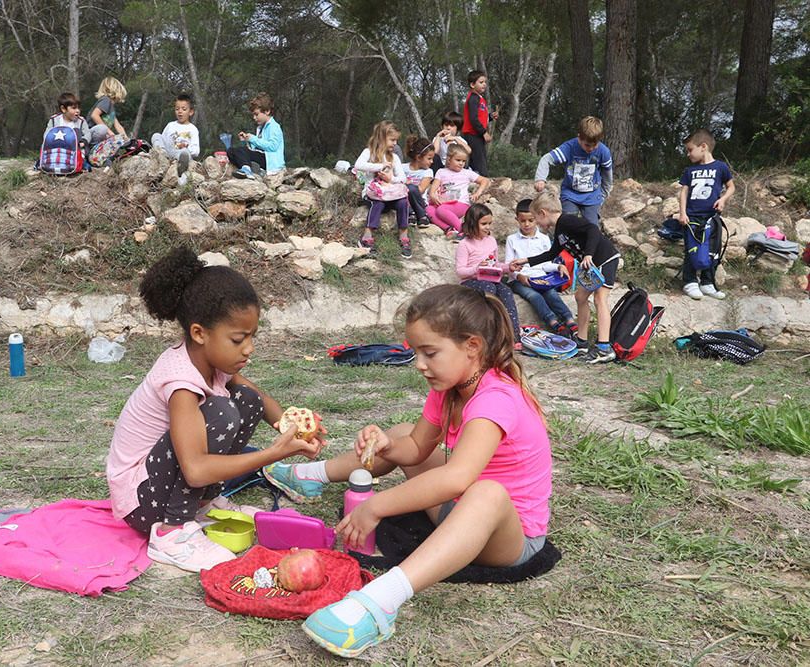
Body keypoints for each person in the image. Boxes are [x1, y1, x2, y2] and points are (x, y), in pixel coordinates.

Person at [262, 284, 551, 658]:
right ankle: (309, 477)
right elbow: (415, 448)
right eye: (416, 352)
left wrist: (376, 506)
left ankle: (380, 601)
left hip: (508, 536)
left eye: (430, 352)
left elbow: (457, 478)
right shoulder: (448, 387)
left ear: (472, 347)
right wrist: (387, 445)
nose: (419, 363)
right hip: (460, 509)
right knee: (399, 434)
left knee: (487, 492)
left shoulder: (496, 399)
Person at [107, 247, 325, 573]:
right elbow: (194, 470)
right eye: (238, 339)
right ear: (199, 333)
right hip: (141, 502)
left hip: (162, 486)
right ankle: (172, 533)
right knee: (223, 414)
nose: (249, 348)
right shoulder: (180, 381)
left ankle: (201, 506)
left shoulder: (212, 360)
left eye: (252, 336)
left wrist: (291, 426)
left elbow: (260, 400)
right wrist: (274, 453)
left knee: (247, 401)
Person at [511, 191, 619, 364]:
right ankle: (582, 341)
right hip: (591, 265)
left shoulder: (567, 221)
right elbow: (552, 253)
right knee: (580, 296)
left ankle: (604, 348)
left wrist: (588, 255)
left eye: (536, 219)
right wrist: (526, 261)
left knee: (600, 299)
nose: (536, 223)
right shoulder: (559, 229)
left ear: (543, 213)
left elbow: (593, 230)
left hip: (604, 259)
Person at [505, 199, 577, 337]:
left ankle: (569, 320)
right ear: (517, 220)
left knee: (551, 294)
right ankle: (554, 323)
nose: (527, 224)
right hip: (520, 280)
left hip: (541, 278)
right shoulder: (512, 239)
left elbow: (546, 263)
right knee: (534, 296)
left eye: (531, 220)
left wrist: (558, 266)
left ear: (537, 218)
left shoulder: (543, 238)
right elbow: (509, 265)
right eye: (523, 221)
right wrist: (519, 276)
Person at [678, 129, 734, 300]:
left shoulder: (721, 167)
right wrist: (682, 213)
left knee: (712, 251)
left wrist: (723, 199)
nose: (688, 154)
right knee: (691, 249)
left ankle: (707, 283)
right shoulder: (689, 171)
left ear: (703, 147)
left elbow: (731, 187)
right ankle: (689, 282)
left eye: (690, 149)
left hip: (712, 217)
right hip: (692, 218)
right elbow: (683, 193)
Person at [455, 204, 521, 342]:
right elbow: (460, 271)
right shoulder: (465, 244)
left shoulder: (491, 241)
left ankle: (514, 337)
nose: (488, 227)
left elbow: (495, 264)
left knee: (506, 291)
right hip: (471, 281)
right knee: (489, 289)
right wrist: (477, 268)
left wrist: (509, 267)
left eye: (489, 223)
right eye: (484, 224)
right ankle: (490, 333)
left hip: (491, 279)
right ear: (472, 223)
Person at [533, 116, 613, 227]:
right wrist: (540, 178)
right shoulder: (570, 147)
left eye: (595, 145)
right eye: (587, 145)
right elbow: (546, 159)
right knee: (567, 223)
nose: (591, 149)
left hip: (592, 196)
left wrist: (604, 193)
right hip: (570, 194)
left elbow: (607, 174)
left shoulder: (603, 151)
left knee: (592, 228)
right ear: (579, 138)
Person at [354, 120, 412, 258]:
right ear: (381, 137)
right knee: (377, 203)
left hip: (391, 194)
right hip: (373, 193)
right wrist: (380, 166)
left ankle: (404, 235)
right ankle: (367, 236)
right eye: (392, 140)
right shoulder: (369, 152)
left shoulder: (395, 158)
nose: (395, 143)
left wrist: (390, 179)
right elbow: (358, 165)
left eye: (396, 140)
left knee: (403, 202)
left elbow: (403, 178)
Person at [425, 144, 489, 238]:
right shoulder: (441, 172)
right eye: (458, 160)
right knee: (428, 209)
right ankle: (448, 229)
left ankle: (462, 229)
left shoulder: (466, 173)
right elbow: (433, 190)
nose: (461, 163)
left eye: (463, 161)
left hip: (461, 204)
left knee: (441, 210)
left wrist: (477, 193)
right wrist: (433, 195)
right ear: (449, 159)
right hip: (444, 203)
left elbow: (485, 180)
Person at [228, 92, 284, 179]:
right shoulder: (261, 128)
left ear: (267, 111)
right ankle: (251, 168)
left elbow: (272, 146)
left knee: (242, 150)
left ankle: (247, 170)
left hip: (269, 160)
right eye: (253, 115)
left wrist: (253, 139)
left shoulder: (274, 126)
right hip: (261, 157)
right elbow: (256, 148)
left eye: (256, 114)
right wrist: (247, 140)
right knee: (231, 151)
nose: (254, 118)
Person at [151, 93, 201, 177]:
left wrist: (185, 147)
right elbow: (163, 140)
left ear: (191, 112)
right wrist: (162, 149)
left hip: (181, 153)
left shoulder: (193, 129)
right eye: (177, 109)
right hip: (168, 152)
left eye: (184, 109)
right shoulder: (170, 125)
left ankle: (181, 167)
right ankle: (162, 157)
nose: (180, 111)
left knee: (185, 154)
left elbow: (196, 151)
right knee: (156, 135)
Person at [461, 70, 496, 176]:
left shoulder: (480, 99)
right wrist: (484, 132)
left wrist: (490, 117)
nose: (484, 84)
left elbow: (481, 117)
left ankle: (478, 178)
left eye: (485, 82)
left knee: (480, 158)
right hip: (473, 134)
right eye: (481, 82)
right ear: (472, 84)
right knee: (479, 160)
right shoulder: (473, 98)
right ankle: (482, 179)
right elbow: (473, 119)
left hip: (477, 134)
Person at [402, 136, 434, 228]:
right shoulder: (402, 168)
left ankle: (422, 215)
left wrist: (406, 184)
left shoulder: (428, 172)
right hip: (404, 199)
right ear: (419, 157)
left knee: (411, 189)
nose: (432, 161)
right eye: (429, 158)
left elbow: (421, 190)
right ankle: (410, 214)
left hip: (419, 202)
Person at [86, 77, 128, 145]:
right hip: (91, 134)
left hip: (100, 135)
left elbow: (118, 126)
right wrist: (110, 132)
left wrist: (127, 140)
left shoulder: (111, 108)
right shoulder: (106, 100)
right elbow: (94, 115)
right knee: (103, 130)